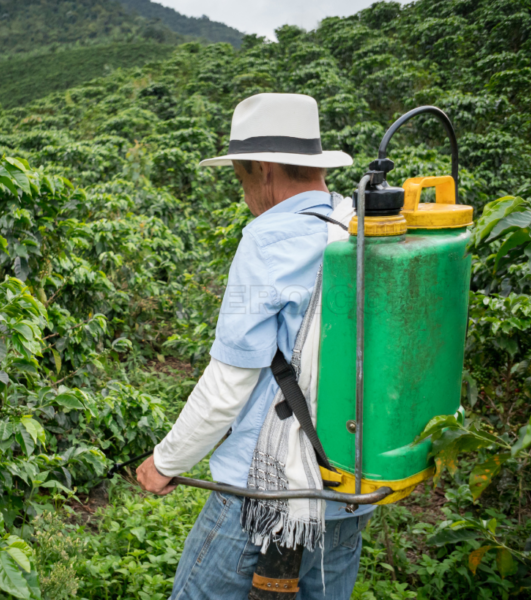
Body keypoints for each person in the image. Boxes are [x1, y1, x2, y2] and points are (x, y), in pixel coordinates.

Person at [136, 93, 375, 599]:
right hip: (351, 488)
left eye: (242, 179)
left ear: (263, 170)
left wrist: (166, 462)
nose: (245, 193)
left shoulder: (267, 240)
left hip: (261, 491)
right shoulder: (362, 226)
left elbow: (229, 383)